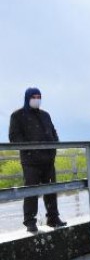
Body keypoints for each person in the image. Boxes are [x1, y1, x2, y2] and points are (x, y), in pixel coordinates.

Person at [9, 87, 67, 232]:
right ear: (27, 98)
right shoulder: (17, 116)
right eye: (34, 96)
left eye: (39, 96)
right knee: (31, 191)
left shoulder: (45, 115)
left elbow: (53, 133)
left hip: (48, 160)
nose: (37, 99)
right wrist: (30, 150)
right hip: (31, 162)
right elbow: (14, 137)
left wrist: (54, 148)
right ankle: (30, 222)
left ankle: (53, 218)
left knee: (51, 189)